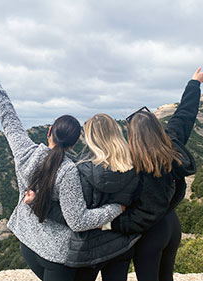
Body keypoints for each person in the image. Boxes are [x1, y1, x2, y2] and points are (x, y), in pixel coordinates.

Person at [0, 62, 124, 281]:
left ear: (49, 131)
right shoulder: (69, 171)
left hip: (28, 244)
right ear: (75, 141)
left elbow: (9, 119)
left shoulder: (25, 152)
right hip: (56, 257)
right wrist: (115, 208)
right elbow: (77, 221)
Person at [109, 67, 203, 281]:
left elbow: (143, 216)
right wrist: (194, 84)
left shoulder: (135, 165)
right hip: (172, 225)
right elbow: (184, 115)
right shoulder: (172, 144)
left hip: (152, 233)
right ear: (157, 128)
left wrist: (110, 223)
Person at [25, 113, 141, 281]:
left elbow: (74, 219)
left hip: (91, 249)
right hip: (122, 243)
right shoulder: (135, 166)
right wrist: (118, 212)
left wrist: (38, 203)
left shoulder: (81, 171)